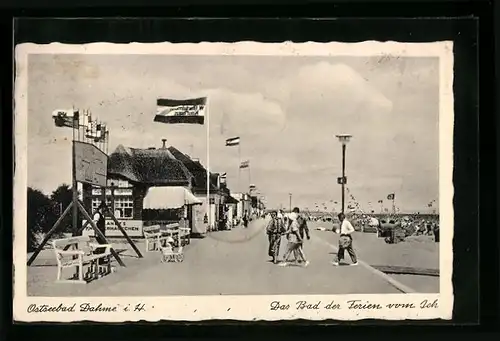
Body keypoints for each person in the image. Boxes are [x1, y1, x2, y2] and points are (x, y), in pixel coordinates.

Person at [92, 202, 108, 266]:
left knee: (103, 245)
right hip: (98, 233)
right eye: (103, 209)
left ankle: (97, 256)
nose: (104, 210)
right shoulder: (97, 215)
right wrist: (96, 232)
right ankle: (97, 258)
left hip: (102, 233)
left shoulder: (102, 215)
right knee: (103, 245)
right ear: (101, 208)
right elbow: (94, 224)